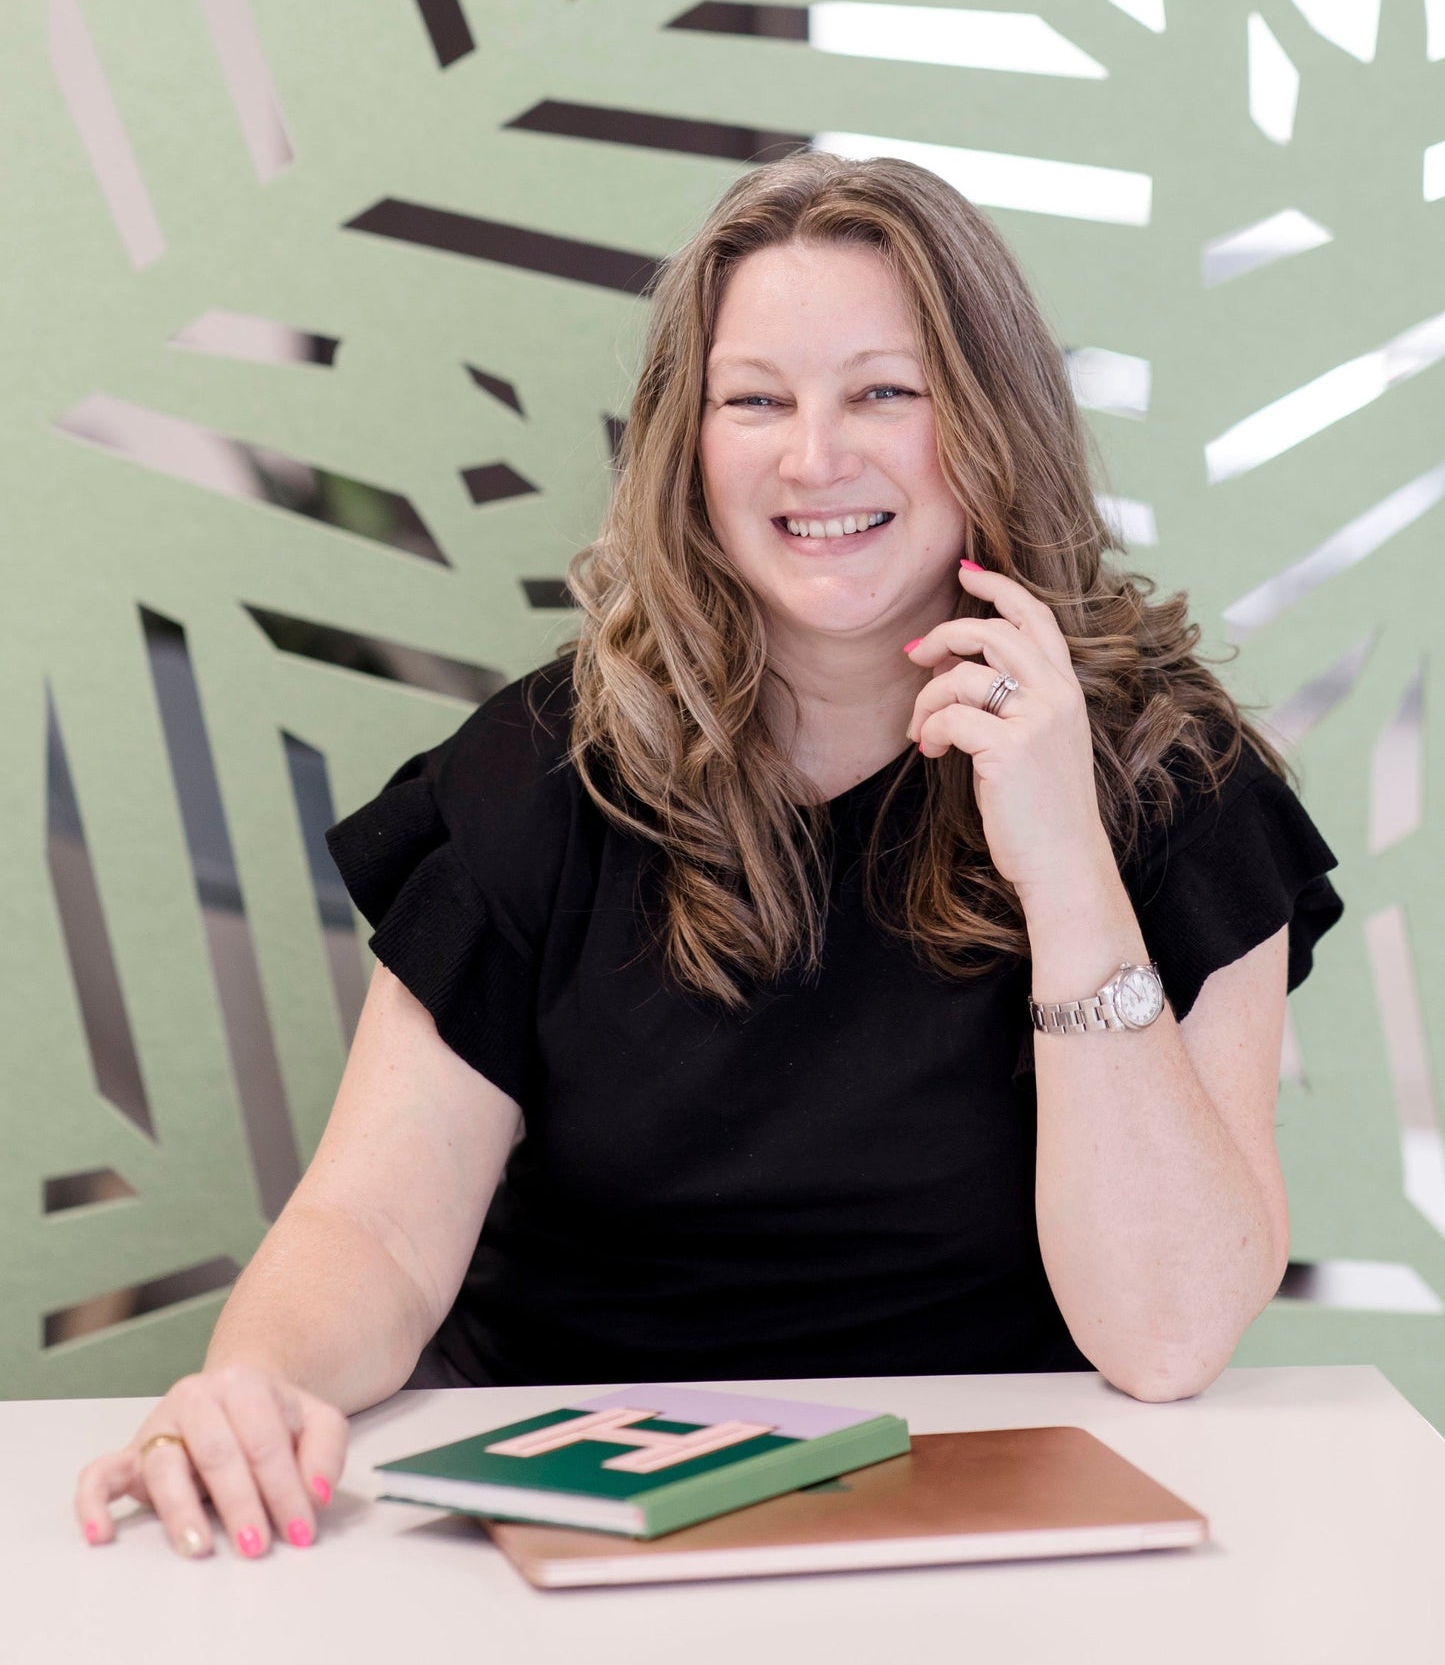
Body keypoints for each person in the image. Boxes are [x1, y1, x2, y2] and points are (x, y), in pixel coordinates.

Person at [74, 153, 1344, 1560]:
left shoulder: (1172, 775)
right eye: (755, 399)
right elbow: (372, 1226)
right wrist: (254, 1388)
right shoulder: (547, 769)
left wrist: (1063, 866)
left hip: (996, 1526)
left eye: (882, 389)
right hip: (569, 1515)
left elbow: (1165, 1336)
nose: (814, 456)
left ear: (988, 422)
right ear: (690, 442)